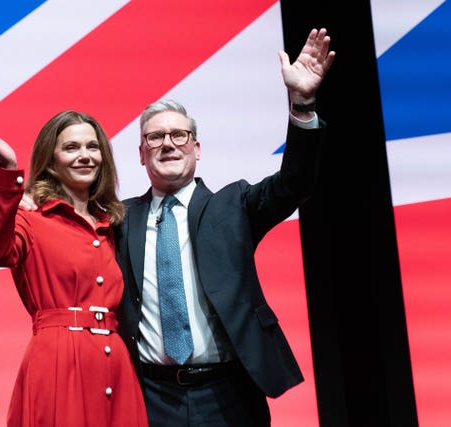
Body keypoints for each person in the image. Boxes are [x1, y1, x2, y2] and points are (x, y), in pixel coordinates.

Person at [20, 28, 335, 426]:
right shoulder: (116, 218)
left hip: (229, 394)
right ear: (140, 154)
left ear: (196, 149)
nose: (168, 144)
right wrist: (35, 198)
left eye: (179, 135)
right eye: (155, 137)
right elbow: (67, 228)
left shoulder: (233, 205)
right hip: (150, 396)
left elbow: (296, 182)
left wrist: (302, 104)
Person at [0, 110, 149, 427]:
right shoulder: (31, 217)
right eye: (71, 148)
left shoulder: (113, 224)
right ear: (50, 160)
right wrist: (8, 172)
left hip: (115, 363)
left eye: (92, 147)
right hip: (57, 362)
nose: (85, 156)